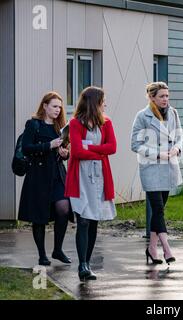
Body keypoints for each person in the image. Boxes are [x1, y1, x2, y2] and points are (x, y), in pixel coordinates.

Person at [65, 86, 117, 281]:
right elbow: (77, 152)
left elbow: (112, 147)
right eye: (103, 101)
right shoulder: (75, 123)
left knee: (94, 220)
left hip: (100, 176)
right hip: (81, 177)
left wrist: (91, 147)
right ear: (94, 103)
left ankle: (87, 262)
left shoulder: (107, 123)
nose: (105, 104)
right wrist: (99, 151)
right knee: (83, 221)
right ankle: (82, 265)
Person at [131, 81, 183, 265]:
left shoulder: (173, 112)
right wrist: (157, 154)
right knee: (158, 209)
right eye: (161, 96)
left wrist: (177, 149)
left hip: (169, 167)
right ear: (152, 97)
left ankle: (152, 249)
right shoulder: (142, 116)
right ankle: (167, 248)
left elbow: (179, 137)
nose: (165, 99)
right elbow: (135, 145)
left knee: (158, 212)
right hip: (151, 168)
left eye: (167, 96)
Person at [18, 91, 73, 266]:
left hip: (57, 174)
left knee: (64, 208)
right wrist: (48, 145)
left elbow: (63, 151)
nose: (58, 110)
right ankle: (42, 254)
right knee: (39, 216)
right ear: (45, 106)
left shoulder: (61, 127)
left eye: (60, 107)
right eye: (54, 106)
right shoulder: (34, 124)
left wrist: (65, 154)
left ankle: (58, 249)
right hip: (38, 176)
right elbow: (26, 148)